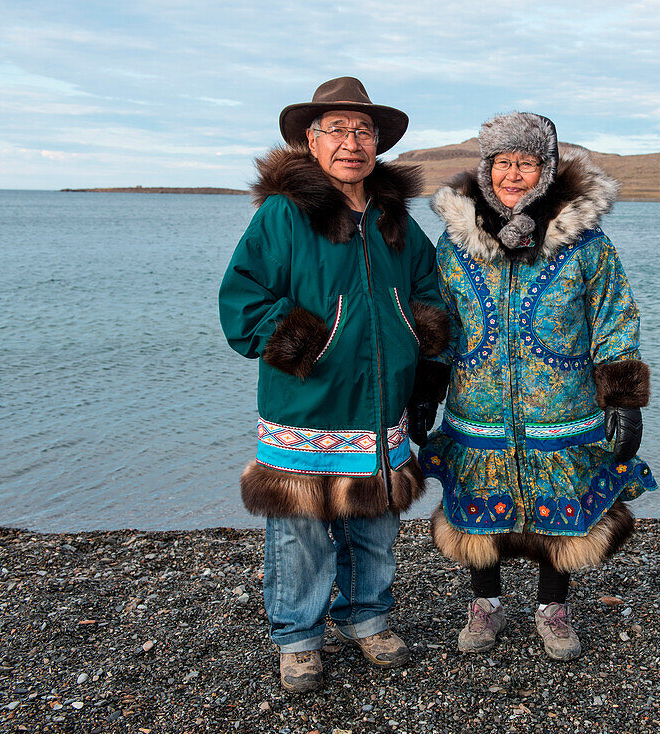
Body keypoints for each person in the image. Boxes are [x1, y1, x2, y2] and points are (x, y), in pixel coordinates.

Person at [218, 77, 449, 693]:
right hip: (306, 401)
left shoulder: (392, 217)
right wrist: (307, 340)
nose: (352, 142)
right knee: (299, 529)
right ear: (312, 143)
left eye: (363, 131)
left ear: (378, 144)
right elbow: (242, 302)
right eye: (338, 130)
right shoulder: (283, 214)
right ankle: (298, 637)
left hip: (381, 403)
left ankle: (366, 617)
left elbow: (428, 286)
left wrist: (418, 337)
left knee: (374, 522)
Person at [419, 112, 657, 661]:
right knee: (478, 509)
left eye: (526, 163)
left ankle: (552, 610)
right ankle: (486, 606)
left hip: (564, 407)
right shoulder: (454, 244)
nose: (513, 174)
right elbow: (438, 319)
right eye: (503, 163)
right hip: (477, 406)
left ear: (545, 171)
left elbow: (614, 317)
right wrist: (426, 387)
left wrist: (622, 398)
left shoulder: (588, 245)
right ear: (486, 170)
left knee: (560, 514)